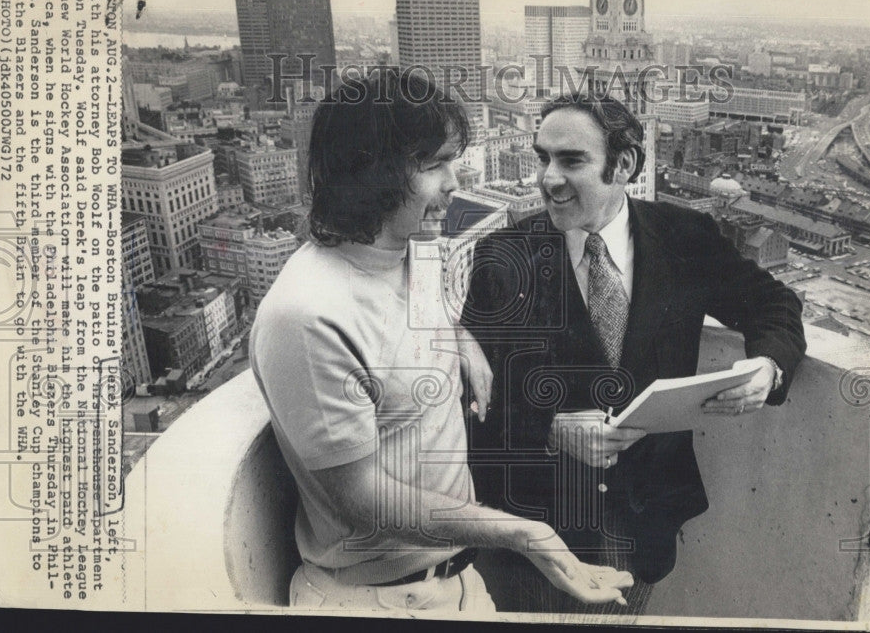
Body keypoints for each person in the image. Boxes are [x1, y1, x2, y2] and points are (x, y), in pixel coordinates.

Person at [248, 71, 634, 615]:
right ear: (371, 172)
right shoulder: (305, 315)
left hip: (457, 583)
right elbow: (359, 500)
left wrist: (459, 338)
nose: (455, 181)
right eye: (434, 165)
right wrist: (528, 534)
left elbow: (412, 324)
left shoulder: (417, 251)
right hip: (373, 601)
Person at [461, 93, 807, 616]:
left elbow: (773, 304)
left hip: (644, 525)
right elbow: (472, 402)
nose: (548, 179)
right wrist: (550, 428)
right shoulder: (504, 257)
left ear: (623, 165)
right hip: (535, 532)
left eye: (571, 161)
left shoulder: (685, 238)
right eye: (542, 158)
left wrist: (768, 367)